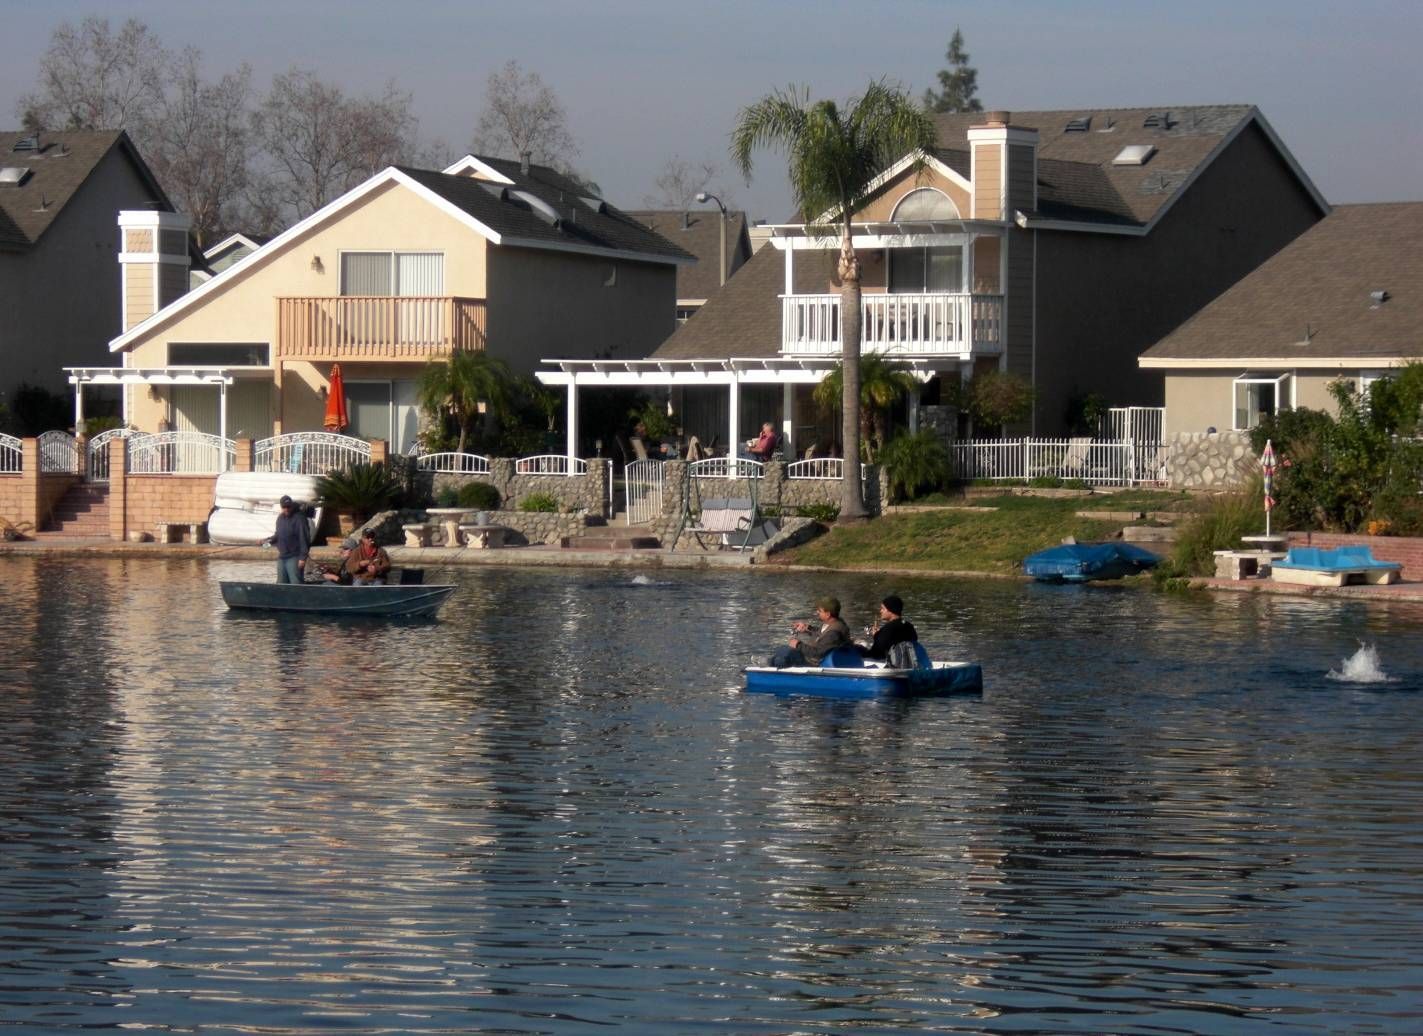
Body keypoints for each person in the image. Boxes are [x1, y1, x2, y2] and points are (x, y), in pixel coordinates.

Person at [768, 596, 851, 668]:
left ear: (828, 614)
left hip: (814, 664)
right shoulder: (834, 623)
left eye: (820, 611)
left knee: (786, 653)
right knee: (782, 651)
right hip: (813, 659)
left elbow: (818, 653)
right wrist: (807, 628)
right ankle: (771, 664)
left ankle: (772, 673)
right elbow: (822, 636)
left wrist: (798, 645)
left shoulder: (833, 633)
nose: (817, 612)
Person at [856, 594, 919, 660]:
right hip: (908, 661)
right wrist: (878, 635)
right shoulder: (909, 626)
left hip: (893, 665)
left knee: (857, 647)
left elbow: (876, 653)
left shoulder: (888, 628)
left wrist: (858, 648)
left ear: (890, 610)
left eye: (883, 608)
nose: (881, 611)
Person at [265, 495, 310, 584]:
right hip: (282, 557)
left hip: (295, 557)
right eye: (284, 507)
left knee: (295, 583)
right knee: (280, 583)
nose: (286, 509)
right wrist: (265, 543)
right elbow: (277, 536)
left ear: (292, 506)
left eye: (288, 506)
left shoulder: (299, 518)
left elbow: (304, 538)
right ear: (281, 507)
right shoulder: (280, 518)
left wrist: (303, 558)